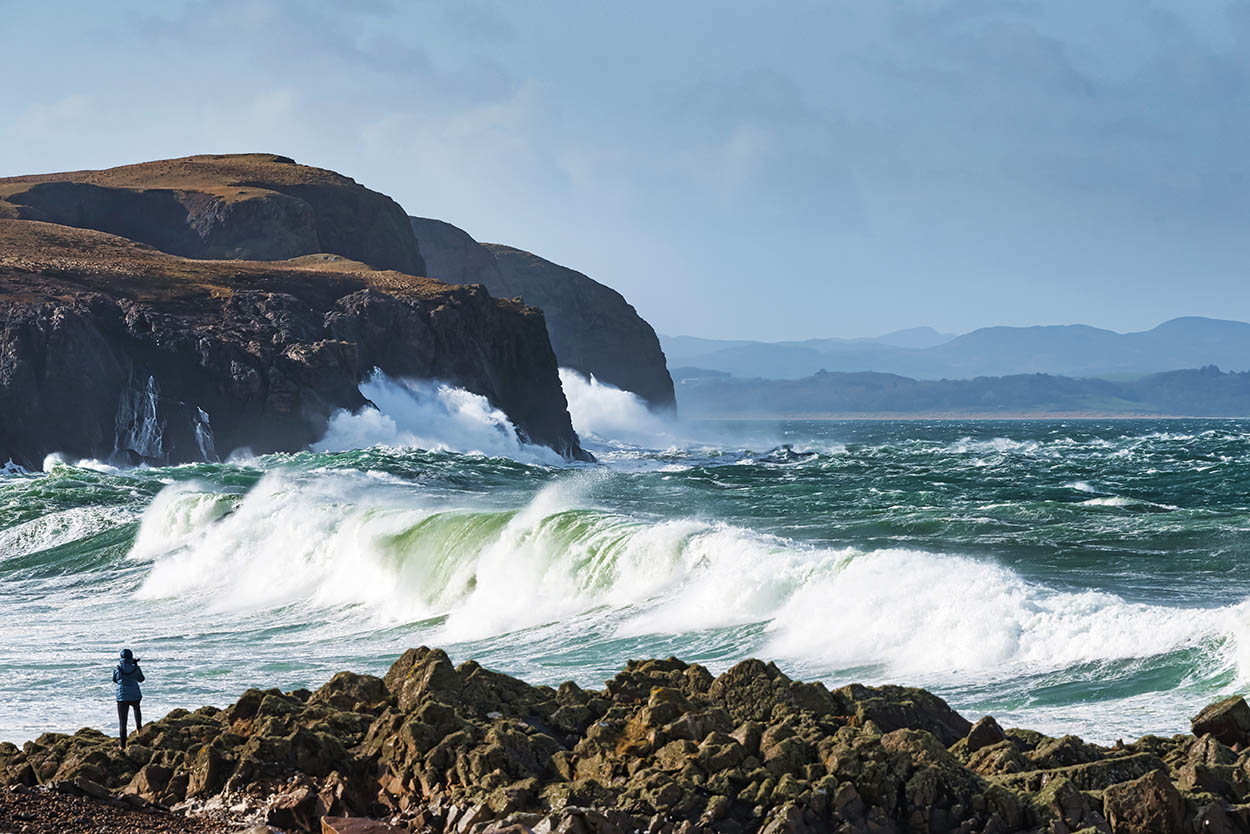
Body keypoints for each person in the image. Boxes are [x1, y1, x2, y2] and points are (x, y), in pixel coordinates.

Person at [113, 648, 144, 749]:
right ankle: (138, 728)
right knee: (136, 709)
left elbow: (115, 680)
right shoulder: (135, 668)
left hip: (122, 697)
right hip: (135, 694)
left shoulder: (117, 668)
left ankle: (122, 746)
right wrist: (136, 666)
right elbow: (141, 679)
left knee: (123, 722)